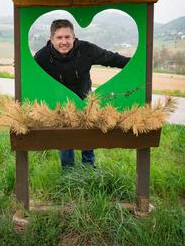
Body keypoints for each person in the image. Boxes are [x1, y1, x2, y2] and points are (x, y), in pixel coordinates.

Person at [34, 19, 130, 168]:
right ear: (51, 39)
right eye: (59, 38)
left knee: (87, 134)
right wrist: (20, 66)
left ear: (74, 37)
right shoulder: (42, 57)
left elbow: (111, 58)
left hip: (85, 98)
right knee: (65, 139)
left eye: (67, 37)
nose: (64, 41)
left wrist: (135, 63)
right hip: (60, 104)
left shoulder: (86, 49)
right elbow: (31, 75)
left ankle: (89, 167)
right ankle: (68, 172)